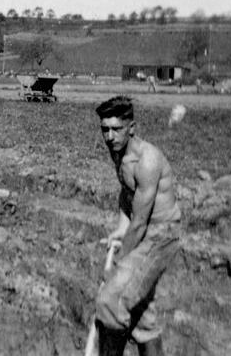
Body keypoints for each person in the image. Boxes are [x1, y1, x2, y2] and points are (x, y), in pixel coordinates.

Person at [92, 96, 181, 356]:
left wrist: (119, 262)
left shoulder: (148, 160)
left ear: (132, 127)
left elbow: (141, 222)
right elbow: (127, 192)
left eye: (116, 129)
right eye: (104, 129)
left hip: (160, 235)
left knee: (112, 300)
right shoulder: (118, 152)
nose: (109, 136)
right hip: (143, 231)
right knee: (142, 315)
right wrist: (122, 226)